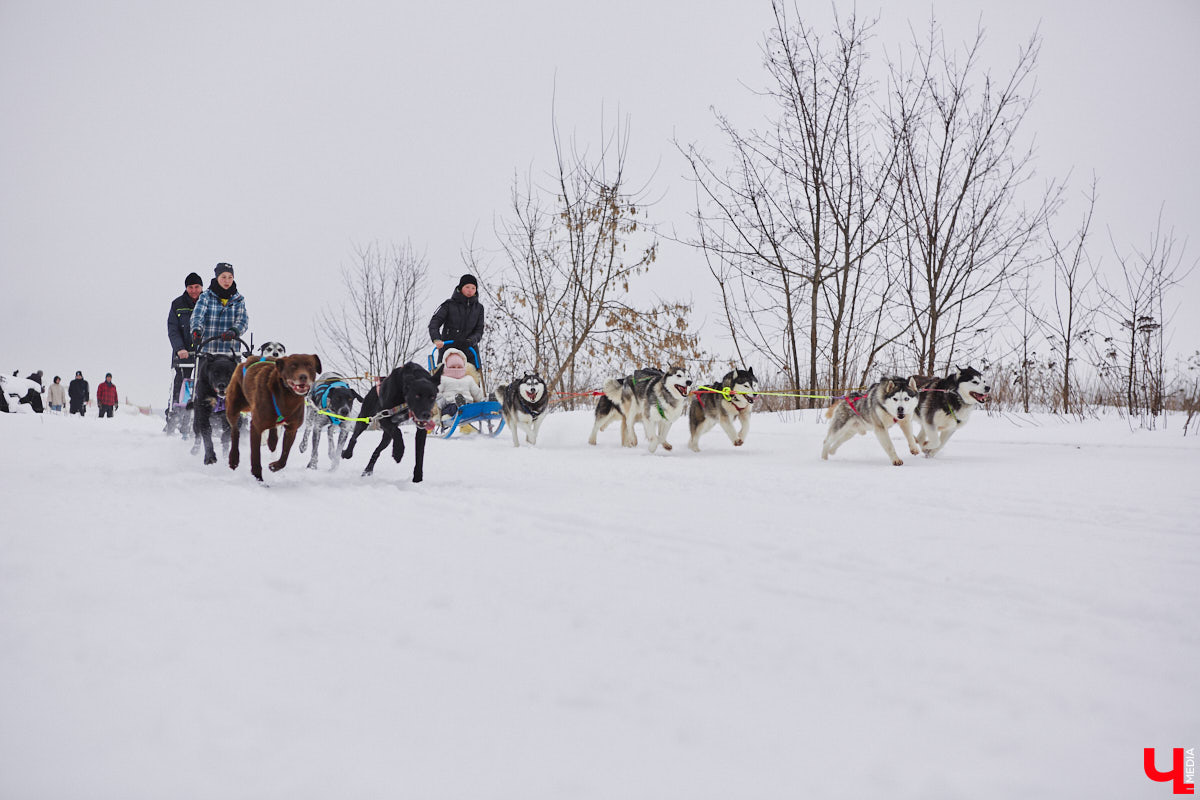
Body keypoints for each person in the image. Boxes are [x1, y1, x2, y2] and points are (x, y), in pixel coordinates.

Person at [189, 262, 249, 442]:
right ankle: (199, 429)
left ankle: (237, 420)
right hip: (210, 353)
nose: (227, 280)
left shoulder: (239, 299)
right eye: (223, 277)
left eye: (230, 277)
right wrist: (197, 330)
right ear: (217, 277)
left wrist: (235, 331)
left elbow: (243, 320)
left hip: (230, 354)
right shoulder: (206, 296)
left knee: (236, 389)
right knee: (204, 390)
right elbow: (197, 315)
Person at [166, 272, 204, 431]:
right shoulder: (177, 304)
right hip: (185, 353)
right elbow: (173, 329)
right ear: (186, 288)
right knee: (182, 383)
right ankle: (176, 417)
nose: (194, 290)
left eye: (197, 287)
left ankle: (202, 418)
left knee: (205, 382)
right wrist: (180, 349)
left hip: (204, 352)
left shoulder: (207, 302)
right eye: (190, 287)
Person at [428, 273, 485, 361]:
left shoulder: (479, 308)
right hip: (448, 351)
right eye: (467, 287)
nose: (470, 290)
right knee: (443, 373)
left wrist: (470, 341)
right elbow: (435, 322)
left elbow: (479, 330)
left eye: (473, 288)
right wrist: (437, 339)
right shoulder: (449, 304)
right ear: (461, 287)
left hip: (470, 352)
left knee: (474, 374)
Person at [435, 347, 485, 420]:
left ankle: (490, 403)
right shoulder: (443, 379)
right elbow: (436, 394)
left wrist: (483, 399)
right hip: (450, 405)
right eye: (452, 367)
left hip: (468, 405)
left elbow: (477, 393)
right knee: (452, 408)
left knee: (474, 407)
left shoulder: (468, 379)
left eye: (459, 367)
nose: (456, 369)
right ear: (446, 367)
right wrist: (443, 402)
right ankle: (460, 407)